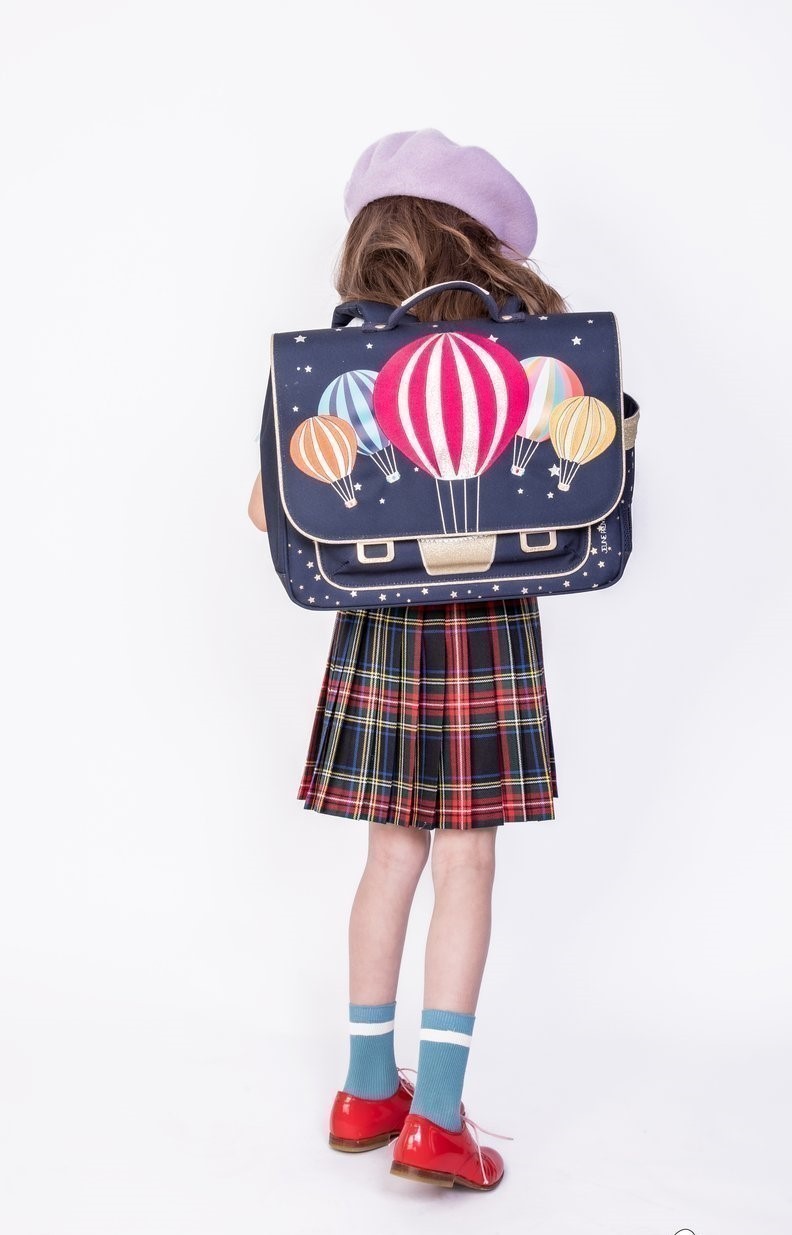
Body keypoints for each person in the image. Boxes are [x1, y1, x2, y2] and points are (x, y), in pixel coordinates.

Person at [248, 129, 568, 1191]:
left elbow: (265, 509)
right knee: (467, 863)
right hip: (487, 626)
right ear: (475, 242)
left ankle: (361, 1089)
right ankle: (435, 1116)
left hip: (380, 625)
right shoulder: (521, 349)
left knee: (390, 855)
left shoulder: (328, 365)